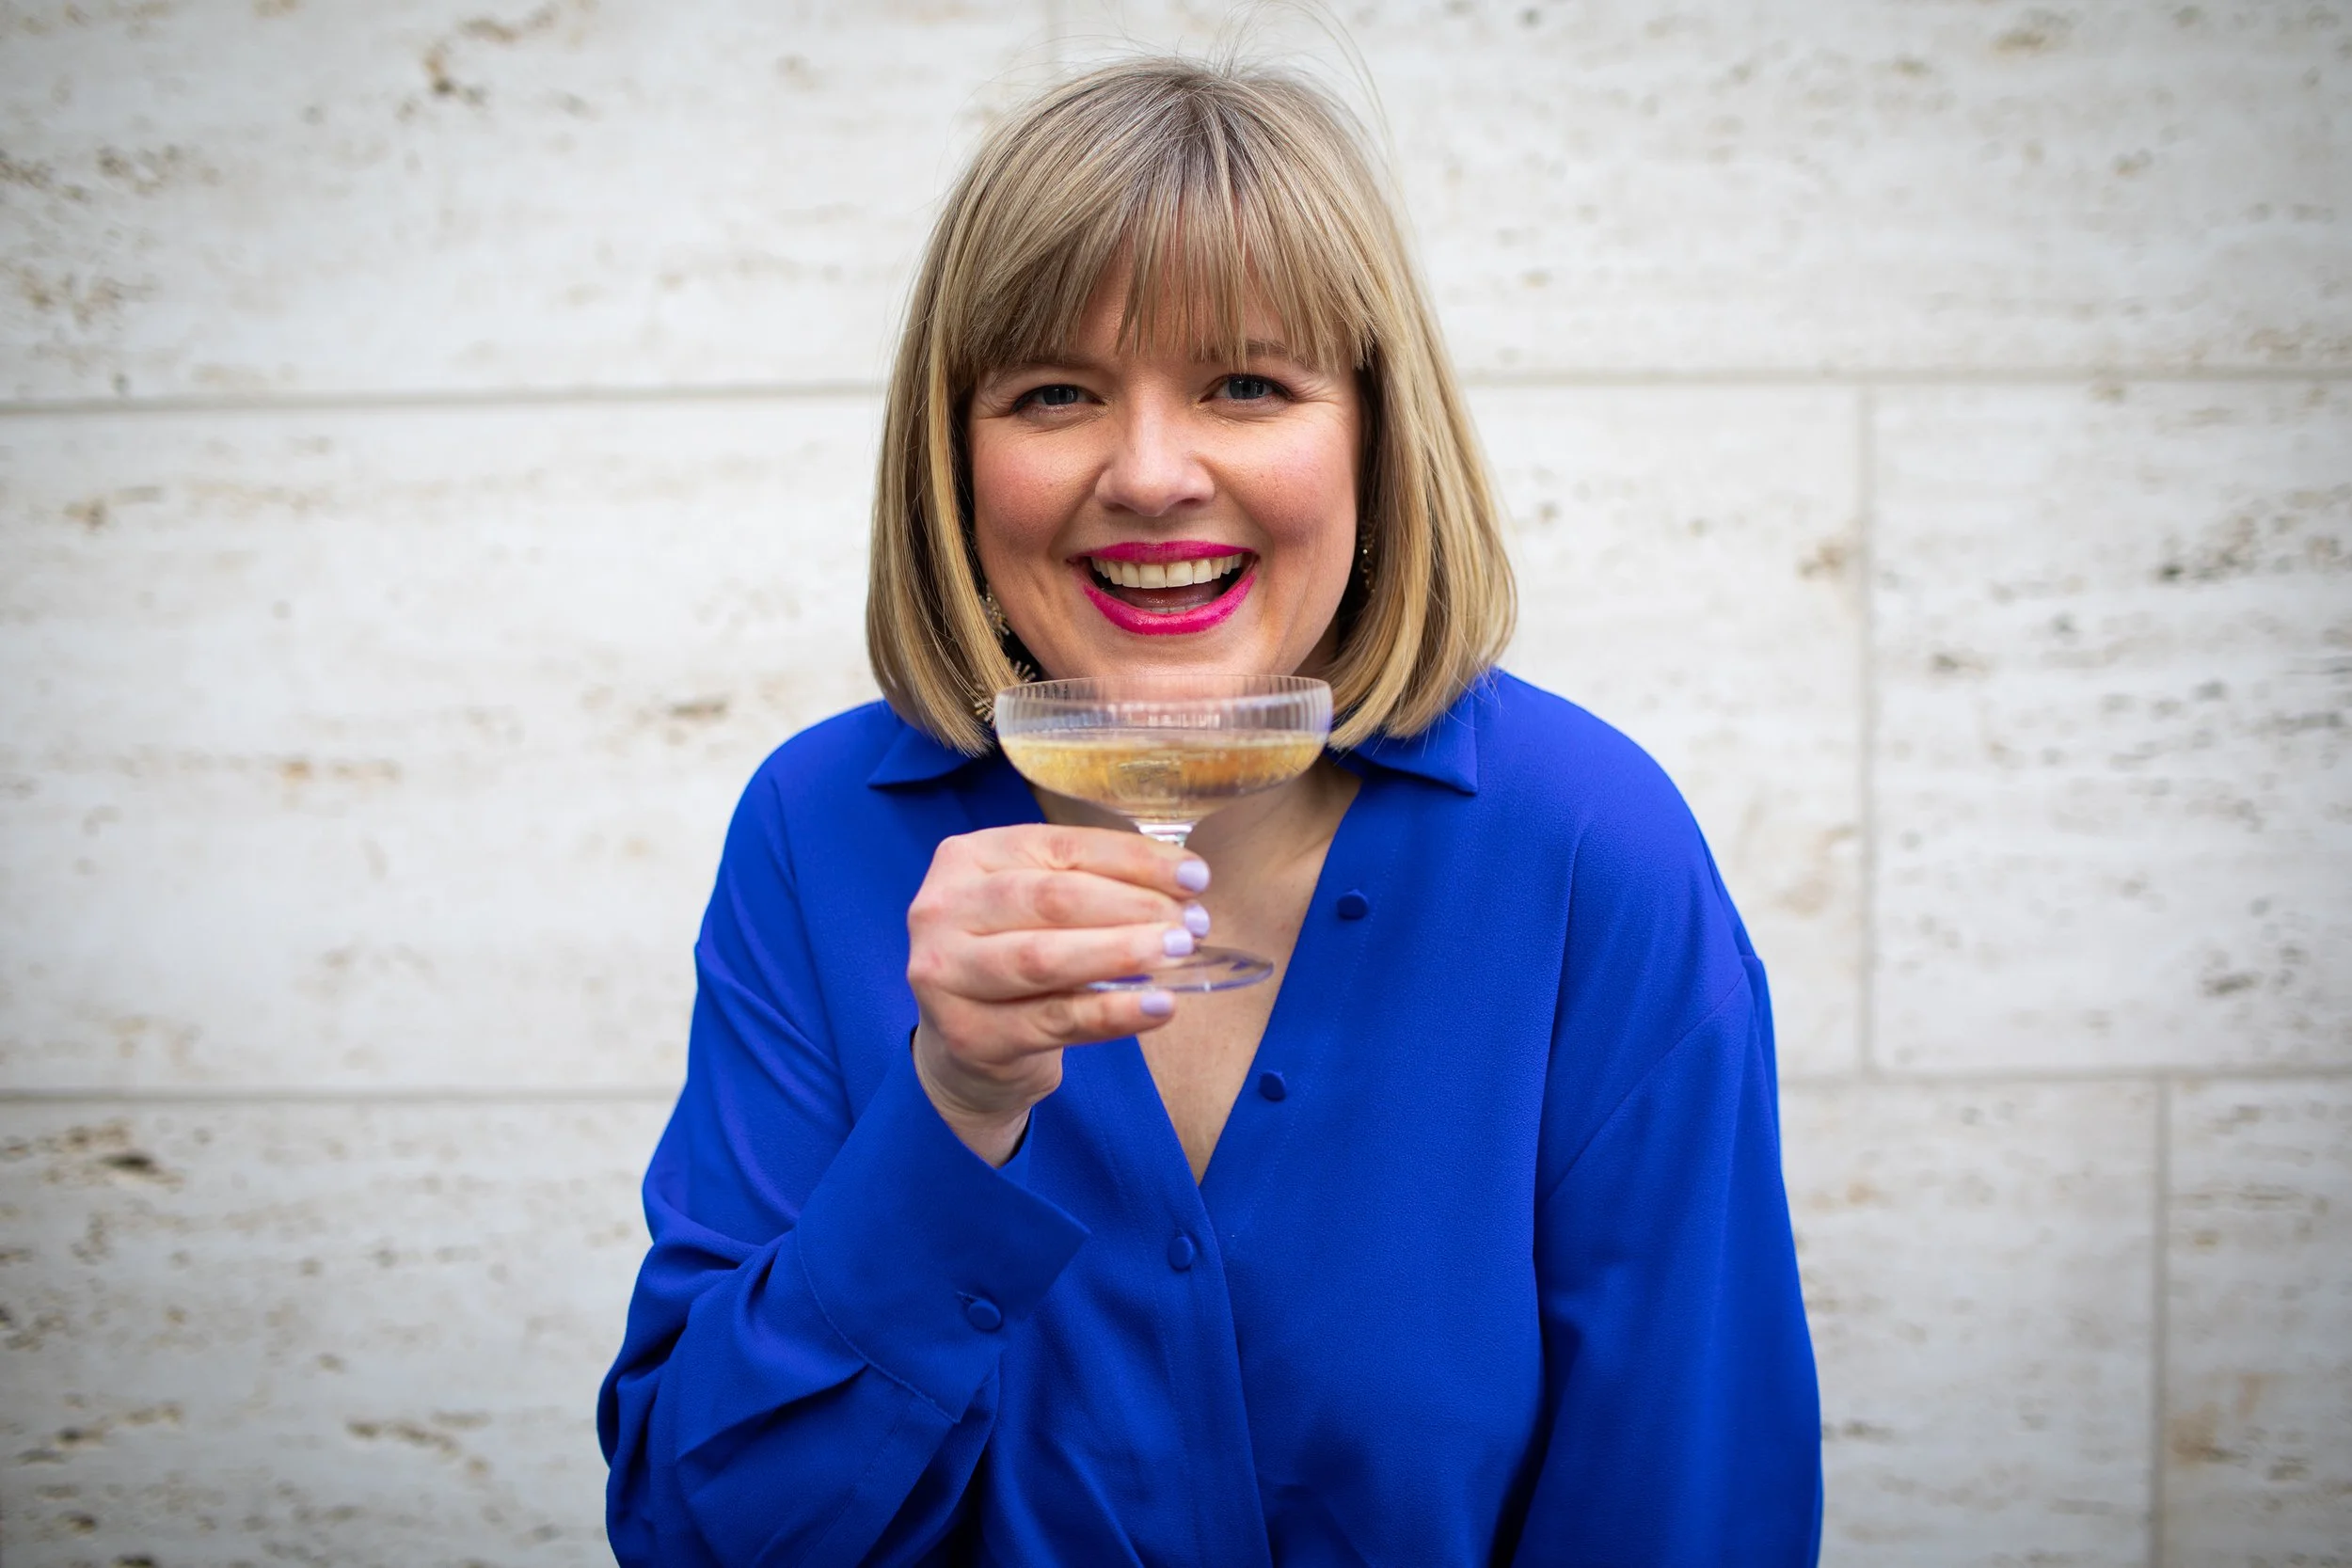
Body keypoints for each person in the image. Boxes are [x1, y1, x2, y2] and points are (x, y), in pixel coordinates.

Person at [599, 55, 1820, 1566]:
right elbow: (696, 1530)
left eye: (1248, 384)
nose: (1153, 473)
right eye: (1055, 393)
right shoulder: (819, 833)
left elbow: (1687, 1510)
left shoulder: (1588, 850)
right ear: (955, 456)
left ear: (1374, 431)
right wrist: (954, 1113)